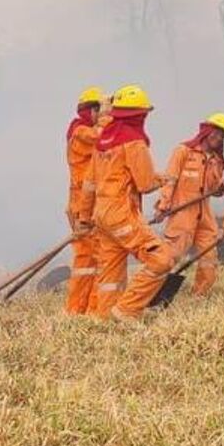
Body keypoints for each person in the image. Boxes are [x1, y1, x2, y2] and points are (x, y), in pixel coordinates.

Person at [88, 85, 175, 319]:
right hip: (122, 214)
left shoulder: (103, 141)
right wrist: (164, 179)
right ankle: (126, 310)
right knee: (162, 259)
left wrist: (84, 216)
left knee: (111, 275)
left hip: (103, 216)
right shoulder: (135, 143)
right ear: (140, 116)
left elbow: (90, 182)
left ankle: (105, 318)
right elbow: (145, 183)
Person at [158, 113, 224, 298]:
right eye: (215, 133)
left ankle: (199, 297)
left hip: (205, 217)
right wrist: (163, 205)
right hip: (182, 214)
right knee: (169, 257)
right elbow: (170, 179)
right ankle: (152, 292)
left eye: (222, 136)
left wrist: (222, 187)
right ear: (206, 131)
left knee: (209, 260)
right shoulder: (184, 151)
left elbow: (213, 190)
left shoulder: (217, 160)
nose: (217, 138)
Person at [63, 87, 106, 315]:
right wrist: (109, 116)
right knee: (96, 259)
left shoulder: (81, 129)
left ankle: (79, 312)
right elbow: (103, 137)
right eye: (99, 109)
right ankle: (91, 312)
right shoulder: (81, 131)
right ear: (90, 110)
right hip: (84, 208)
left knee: (87, 264)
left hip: (84, 205)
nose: (103, 113)